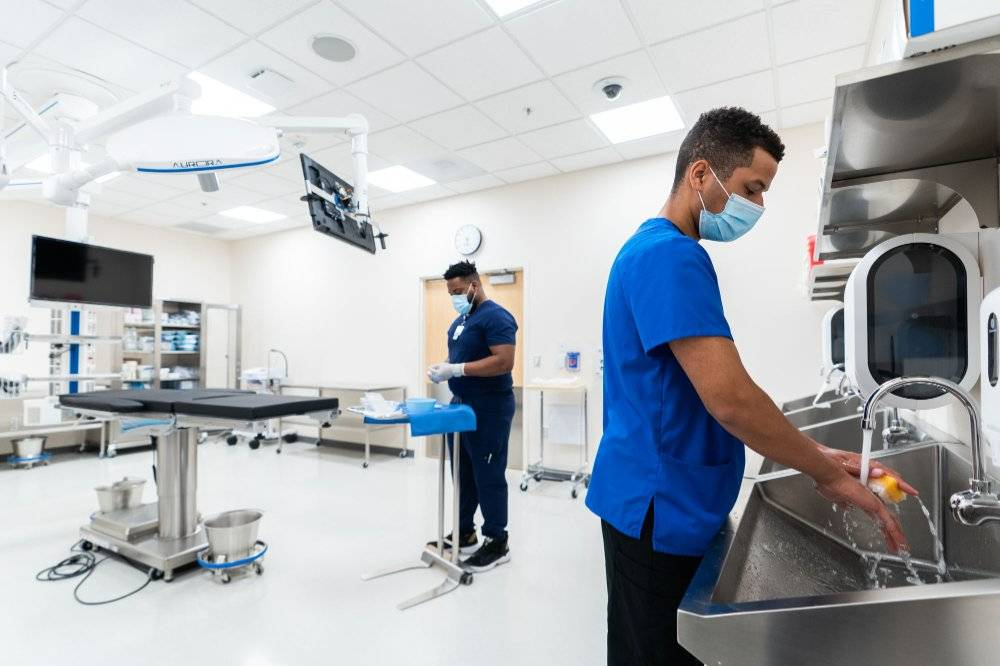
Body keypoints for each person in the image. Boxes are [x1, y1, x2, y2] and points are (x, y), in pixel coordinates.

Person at [585, 107, 917, 665]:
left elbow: (715, 390)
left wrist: (817, 453)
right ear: (699, 174)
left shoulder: (659, 253)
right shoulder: (669, 255)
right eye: (751, 188)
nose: (757, 206)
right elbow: (731, 399)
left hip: (668, 497)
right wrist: (824, 474)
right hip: (656, 505)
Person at [427, 261, 518, 572]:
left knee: (488, 474)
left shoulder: (497, 317)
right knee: (463, 472)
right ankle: (465, 531)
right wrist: (445, 367)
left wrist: (457, 369)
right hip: (461, 405)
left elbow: (504, 361)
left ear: (474, 285)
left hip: (489, 407)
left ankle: (497, 541)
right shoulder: (460, 322)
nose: (453, 296)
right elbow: (458, 358)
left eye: (457, 291)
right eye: (449, 292)